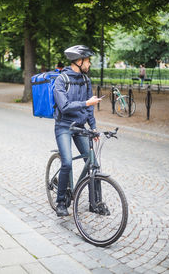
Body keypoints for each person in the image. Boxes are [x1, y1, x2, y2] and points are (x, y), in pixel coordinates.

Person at [53, 45, 102, 217]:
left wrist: (93, 127)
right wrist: (86, 103)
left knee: (94, 163)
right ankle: (60, 203)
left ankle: (95, 203)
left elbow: (89, 109)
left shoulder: (86, 80)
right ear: (79, 61)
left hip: (80, 126)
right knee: (67, 162)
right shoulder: (61, 80)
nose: (89, 64)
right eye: (87, 61)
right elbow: (64, 106)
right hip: (64, 126)